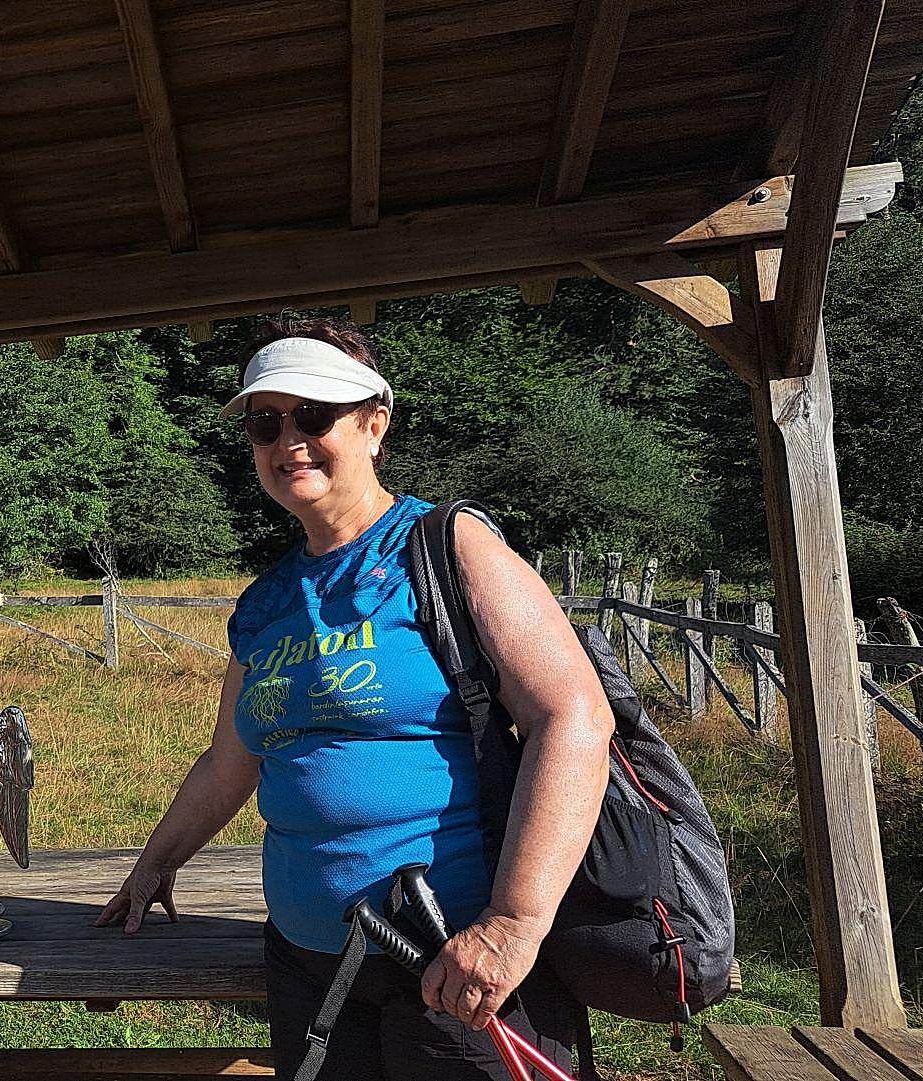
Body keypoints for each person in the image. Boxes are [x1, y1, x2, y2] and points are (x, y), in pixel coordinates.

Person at [96, 317, 612, 1081]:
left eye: (313, 415)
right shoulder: (265, 602)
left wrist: (512, 925)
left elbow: (572, 716)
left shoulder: (446, 546)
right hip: (310, 963)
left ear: (375, 425)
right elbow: (228, 760)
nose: (287, 440)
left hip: (456, 958)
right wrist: (154, 865)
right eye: (266, 423)